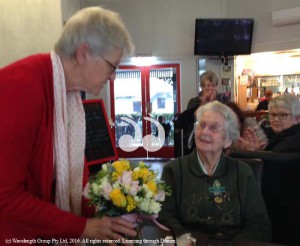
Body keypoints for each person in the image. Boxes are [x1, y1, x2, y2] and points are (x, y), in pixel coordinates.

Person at [0, 6, 137, 244]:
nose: (113, 77)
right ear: (83, 53)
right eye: (112, 66)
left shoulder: (69, 95)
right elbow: (5, 196)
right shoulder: (22, 88)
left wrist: (104, 211)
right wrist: (84, 227)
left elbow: (73, 177)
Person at [159, 101, 272, 242]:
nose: (205, 132)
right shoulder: (174, 170)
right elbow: (164, 217)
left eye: (213, 128)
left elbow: (259, 224)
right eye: (202, 125)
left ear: (228, 140)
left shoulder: (243, 172)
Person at [174, 70, 229, 156]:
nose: (210, 89)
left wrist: (214, 104)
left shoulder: (223, 100)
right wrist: (203, 105)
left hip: (217, 136)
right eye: (208, 86)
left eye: (213, 86)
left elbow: (226, 118)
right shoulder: (194, 101)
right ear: (202, 87)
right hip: (198, 137)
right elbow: (190, 120)